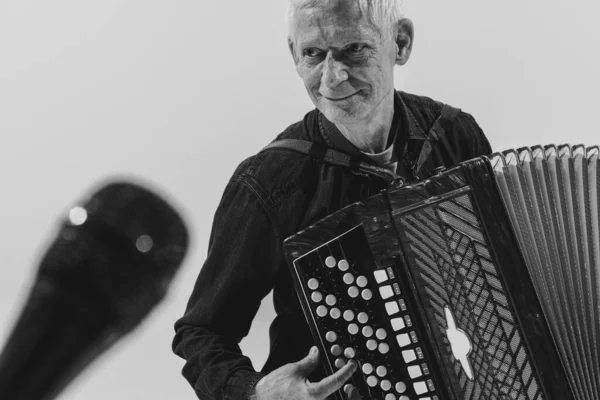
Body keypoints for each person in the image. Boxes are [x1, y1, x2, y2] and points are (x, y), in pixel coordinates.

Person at [172, 0, 492, 399]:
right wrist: (254, 391)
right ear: (294, 54)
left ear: (401, 42)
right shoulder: (270, 182)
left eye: (354, 49)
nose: (333, 77)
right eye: (313, 54)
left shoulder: (455, 135)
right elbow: (202, 331)